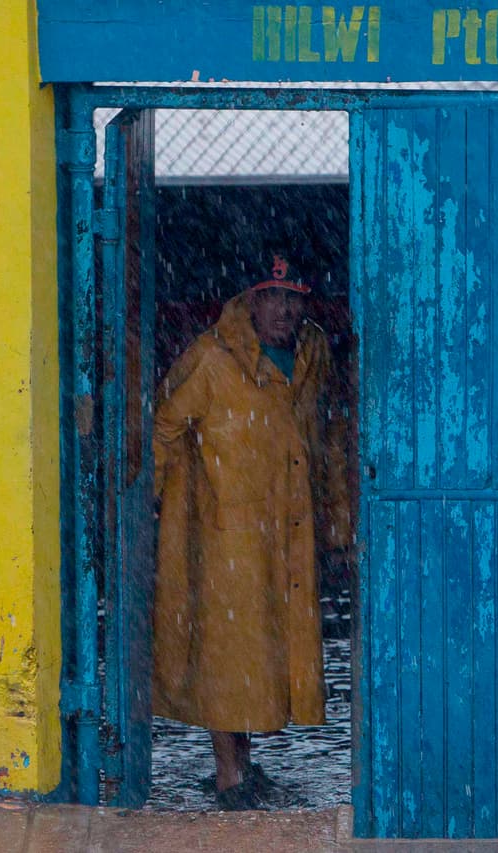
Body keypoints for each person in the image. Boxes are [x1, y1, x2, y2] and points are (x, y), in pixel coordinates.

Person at [151, 252, 351, 810]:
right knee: (227, 651)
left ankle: (243, 765)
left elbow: (329, 437)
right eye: (273, 297)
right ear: (250, 302)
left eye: (294, 298)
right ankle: (228, 775)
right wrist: (156, 506)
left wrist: (335, 523)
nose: (286, 309)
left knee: (260, 651)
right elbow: (164, 425)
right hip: (226, 533)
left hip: (286, 530)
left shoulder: (312, 356)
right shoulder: (212, 359)